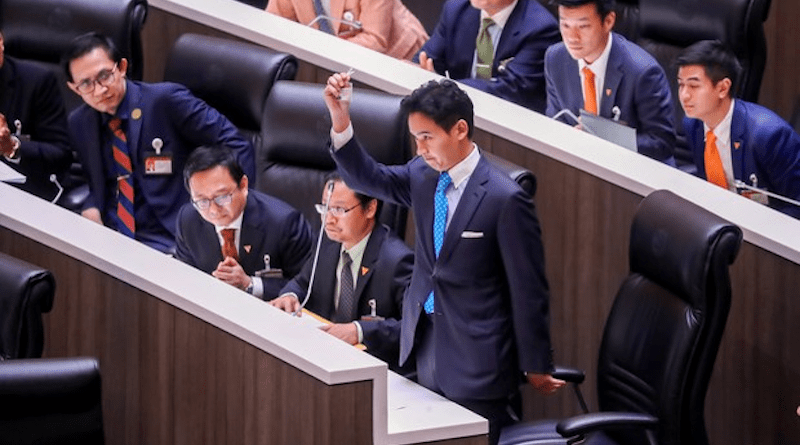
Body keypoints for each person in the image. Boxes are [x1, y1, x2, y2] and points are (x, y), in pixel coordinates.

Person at [323, 72, 564, 445]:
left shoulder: (505, 198)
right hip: (423, 342)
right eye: (415, 138)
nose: (420, 149)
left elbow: (528, 289)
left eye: (427, 138)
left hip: (477, 358)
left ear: (460, 130)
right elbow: (370, 179)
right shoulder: (423, 174)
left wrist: (536, 363)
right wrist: (341, 122)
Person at [62, 32, 255, 253]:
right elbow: (96, 182)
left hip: (174, 237)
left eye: (105, 75)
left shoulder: (165, 101)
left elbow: (236, 144)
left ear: (122, 67)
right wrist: (92, 205)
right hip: (113, 235)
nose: (99, 90)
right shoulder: (80, 123)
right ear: (74, 88)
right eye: (86, 83)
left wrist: (231, 214)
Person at [270, 174, 414, 372]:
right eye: (324, 208)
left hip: (375, 369)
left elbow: (413, 327)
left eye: (339, 209)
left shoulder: (397, 260)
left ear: (370, 208)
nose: (328, 219)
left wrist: (360, 331)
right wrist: (289, 295)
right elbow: (304, 282)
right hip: (325, 359)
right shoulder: (327, 242)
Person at [676, 40, 800, 219]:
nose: (684, 95)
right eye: (681, 84)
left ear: (722, 88)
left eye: (694, 86)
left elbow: (797, 205)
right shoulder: (693, 124)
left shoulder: (768, 135)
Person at [544, 0, 676, 164]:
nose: (572, 37)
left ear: (608, 21)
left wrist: (603, 136)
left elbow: (662, 143)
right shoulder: (555, 58)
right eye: (565, 25)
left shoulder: (642, 71)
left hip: (633, 170)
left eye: (583, 26)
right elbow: (556, 121)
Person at [175, 146, 313, 300]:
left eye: (221, 197)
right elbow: (185, 278)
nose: (213, 210)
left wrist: (250, 284)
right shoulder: (188, 220)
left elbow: (308, 285)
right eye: (202, 201)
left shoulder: (285, 222)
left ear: (243, 186)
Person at [413, 0, 559, 113]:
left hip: (509, 123)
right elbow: (425, 60)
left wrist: (445, 87)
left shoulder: (540, 27)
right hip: (456, 113)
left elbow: (511, 89)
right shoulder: (457, 8)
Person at [0, 30, 71, 202]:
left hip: (24, 194)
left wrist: (12, 147)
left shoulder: (38, 81)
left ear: (1, 41)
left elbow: (60, 155)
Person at [266, 0, 428, 61]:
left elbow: (375, 41)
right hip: (337, 61)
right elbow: (272, 25)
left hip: (399, 57)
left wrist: (316, 47)